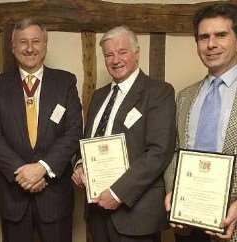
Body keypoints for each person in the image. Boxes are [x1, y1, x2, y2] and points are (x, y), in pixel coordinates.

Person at [163, 3, 237, 242]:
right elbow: (174, 152)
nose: (211, 44)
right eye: (204, 37)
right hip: (188, 227)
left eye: (221, 35)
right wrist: (173, 188)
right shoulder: (185, 96)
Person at [72, 26, 176, 242]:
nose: (115, 59)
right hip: (97, 212)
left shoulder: (159, 92)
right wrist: (81, 165)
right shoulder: (99, 96)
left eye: (122, 52)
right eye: (109, 54)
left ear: (136, 53)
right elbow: (88, 141)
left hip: (136, 215)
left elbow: (159, 152)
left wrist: (118, 193)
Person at [0, 18, 82, 242]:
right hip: (14, 197)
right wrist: (23, 172)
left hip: (55, 197)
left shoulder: (65, 82)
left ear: (45, 44)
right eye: (23, 42)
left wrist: (42, 168)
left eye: (36, 41)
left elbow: (74, 131)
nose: (29, 48)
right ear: (13, 47)